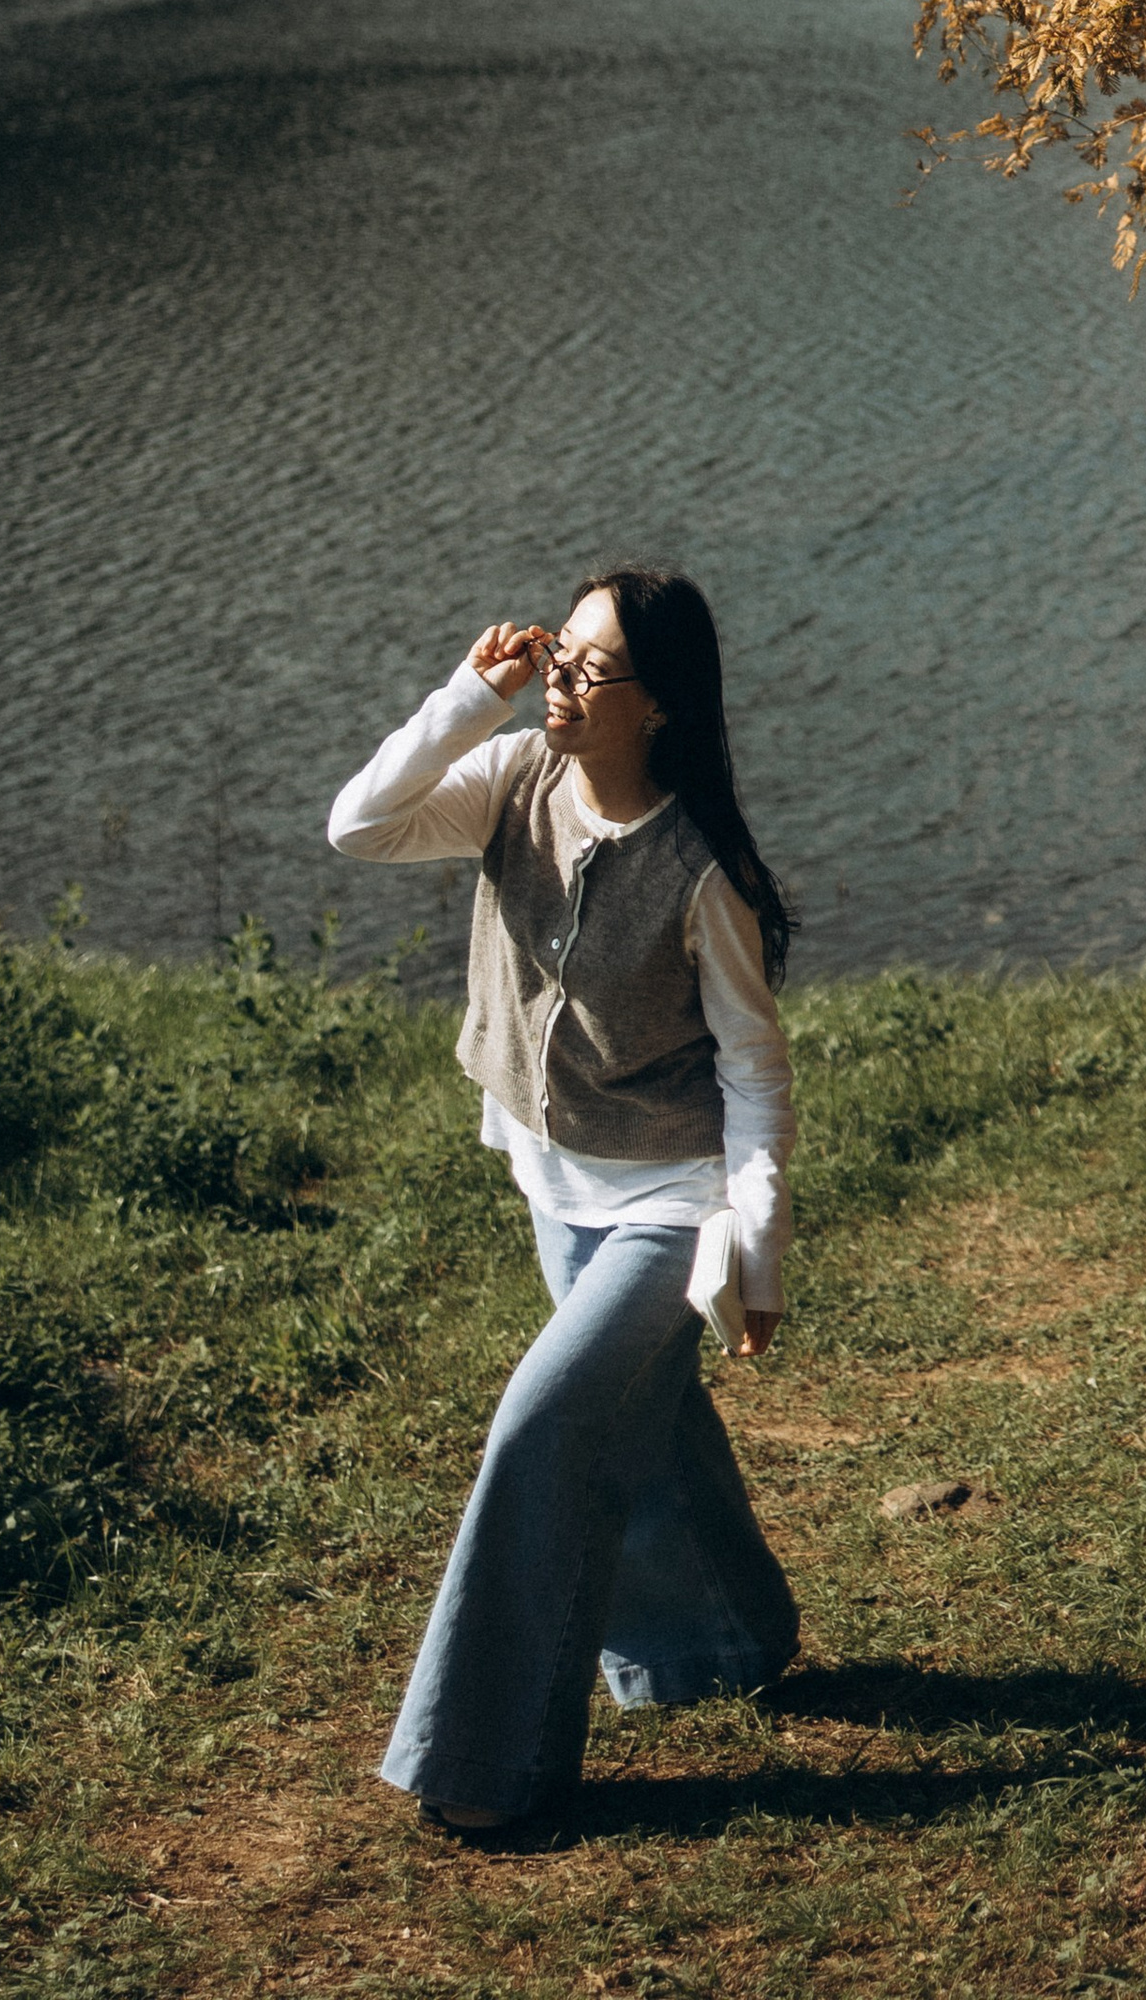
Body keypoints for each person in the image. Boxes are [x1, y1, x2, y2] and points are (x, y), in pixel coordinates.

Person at [326, 562, 800, 1838]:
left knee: (540, 1431)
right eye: (559, 655)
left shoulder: (701, 870)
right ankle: (724, 1642)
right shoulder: (509, 780)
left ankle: (484, 1761)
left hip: (672, 1206)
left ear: (659, 703)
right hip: (553, 1179)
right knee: (644, 1421)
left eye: (593, 669)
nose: (562, 683)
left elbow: (754, 1070)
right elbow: (360, 826)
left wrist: (755, 1249)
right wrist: (465, 697)